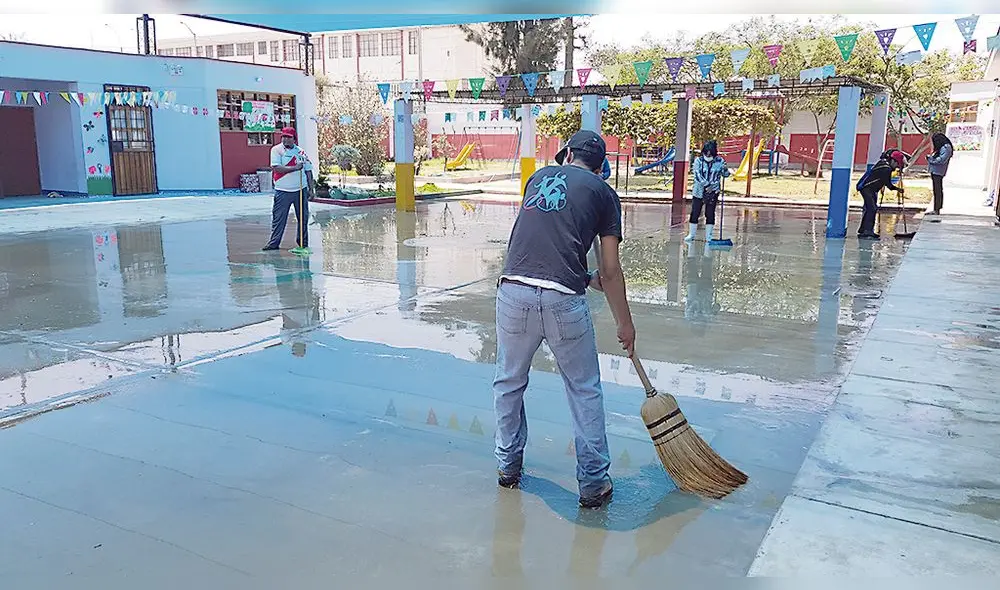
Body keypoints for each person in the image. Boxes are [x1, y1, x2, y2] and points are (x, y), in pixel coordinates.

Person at [493, 130, 636, 509]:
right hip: (562, 302)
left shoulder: (537, 178)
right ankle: (592, 484)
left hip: (514, 290)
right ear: (600, 165)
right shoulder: (605, 194)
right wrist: (625, 324)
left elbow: (543, 241)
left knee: (509, 382)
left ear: (568, 154)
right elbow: (610, 270)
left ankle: (507, 466)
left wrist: (585, 277)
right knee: (584, 389)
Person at [263, 127, 314, 251]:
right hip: (283, 191)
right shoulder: (276, 150)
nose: (286, 139)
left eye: (288, 137)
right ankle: (274, 243)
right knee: (279, 218)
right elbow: (276, 168)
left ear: (294, 139)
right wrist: (294, 168)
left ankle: (303, 243)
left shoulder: (300, 152)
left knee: (303, 217)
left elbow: (308, 171)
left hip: (300, 190)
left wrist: (311, 189)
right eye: (284, 137)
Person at [686, 140, 731, 242]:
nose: (708, 155)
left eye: (710, 153)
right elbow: (697, 175)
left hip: (713, 191)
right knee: (695, 212)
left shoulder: (720, 161)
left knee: (710, 213)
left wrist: (725, 170)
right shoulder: (698, 161)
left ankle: (709, 236)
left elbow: (725, 175)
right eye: (706, 153)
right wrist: (706, 185)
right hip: (699, 190)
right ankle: (691, 234)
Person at [856, 149, 905, 240]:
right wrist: (898, 189)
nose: (897, 167)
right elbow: (889, 185)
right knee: (872, 209)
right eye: (897, 164)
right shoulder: (886, 169)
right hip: (867, 189)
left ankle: (863, 230)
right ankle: (867, 231)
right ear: (893, 161)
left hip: (870, 189)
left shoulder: (883, 164)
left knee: (870, 208)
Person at [926, 133, 953, 215]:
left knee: (938, 190)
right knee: (936, 190)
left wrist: (931, 159)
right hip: (935, 171)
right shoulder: (943, 148)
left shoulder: (946, 147)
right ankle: (936, 208)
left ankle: (937, 209)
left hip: (938, 171)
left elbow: (942, 160)